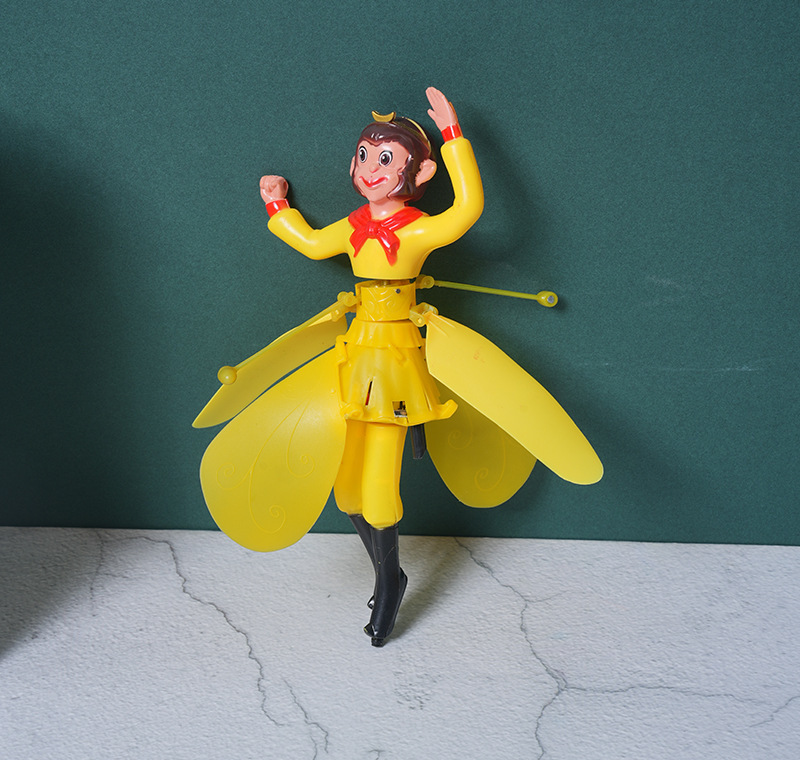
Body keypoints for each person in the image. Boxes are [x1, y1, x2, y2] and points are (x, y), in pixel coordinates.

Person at [195, 87, 602, 647]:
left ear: (421, 171)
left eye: (386, 158)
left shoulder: (416, 228)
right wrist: (277, 206)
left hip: (397, 363)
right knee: (348, 495)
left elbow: (467, 210)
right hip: (354, 358)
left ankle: (389, 582)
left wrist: (455, 137)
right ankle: (390, 571)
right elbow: (312, 243)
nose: (370, 168)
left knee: (378, 490)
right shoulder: (353, 226)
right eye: (364, 154)